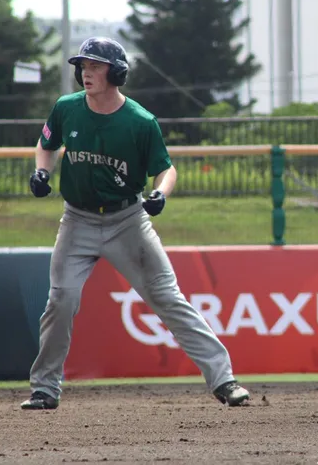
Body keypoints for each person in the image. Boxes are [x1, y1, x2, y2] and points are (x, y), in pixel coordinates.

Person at [20, 37, 250, 410]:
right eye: (83, 66)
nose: (86, 73)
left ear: (117, 72)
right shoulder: (67, 109)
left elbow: (165, 169)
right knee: (61, 300)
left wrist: (160, 193)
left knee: (167, 298)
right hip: (77, 219)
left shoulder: (140, 122)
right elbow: (46, 145)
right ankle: (45, 389)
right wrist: (41, 171)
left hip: (128, 221)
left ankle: (224, 380)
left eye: (95, 66)